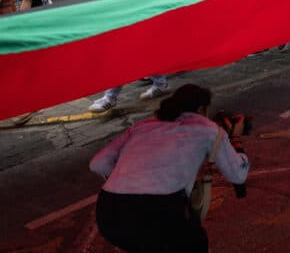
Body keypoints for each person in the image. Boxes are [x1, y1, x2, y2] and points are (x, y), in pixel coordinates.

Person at [90, 84, 250, 253]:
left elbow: (98, 163)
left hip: (109, 213)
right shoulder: (209, 130)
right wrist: (236, 139)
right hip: (159, 213)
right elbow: (238, 175)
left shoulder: (142, 126)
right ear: (202, 109)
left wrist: (131, 176)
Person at [88, 0, 171, 112]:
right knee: (140, 56)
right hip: (120, 18)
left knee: (123, 56)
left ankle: (110, 97)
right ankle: (160, 82)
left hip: (141, 20)